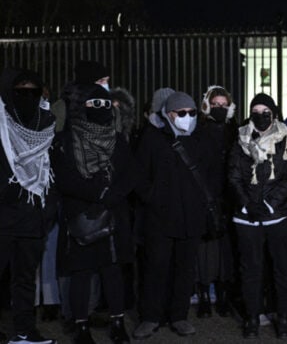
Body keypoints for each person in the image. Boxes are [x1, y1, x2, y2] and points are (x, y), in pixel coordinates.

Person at [51, 83, 140, 344]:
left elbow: (130, 174)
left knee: (112, 271)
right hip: (83, 215)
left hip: (112, 214)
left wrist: (110, 196)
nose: (101, 108)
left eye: (105, 104)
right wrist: (96, 195)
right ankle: (81, 326)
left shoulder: (117, 139)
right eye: (95, 104)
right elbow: (64, 178)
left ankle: (117, 323)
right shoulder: (67, 139)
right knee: (81, 273)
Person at [133, 91, 211, 339]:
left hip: (191, 217)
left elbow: (210, 174)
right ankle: (150, 317)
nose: (188, 117)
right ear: (168, 114)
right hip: (160, 218)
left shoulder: (200, 137)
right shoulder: (152, 137)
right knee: (155, 268)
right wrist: (153, 198)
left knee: (185, 269)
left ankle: (179, 316)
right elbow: (139, 175)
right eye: (182, 113)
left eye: (192, 112)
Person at [228, 93, 287, 339]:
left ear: (274, 114)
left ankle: (283, 317)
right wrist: (247, 204)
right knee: (250, 269)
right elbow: (233, 175)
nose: (260, 116)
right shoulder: (240, 140)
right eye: (255, 112)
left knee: (283, 269)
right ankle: (252, 317)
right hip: (247, 217)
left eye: (265, 112)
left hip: (278, 215)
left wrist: (269, 205)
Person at [0, 68, 57, 344]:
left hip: (33, 217)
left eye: (33, 91)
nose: (27, 96)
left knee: (24, 280)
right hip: (3, 216)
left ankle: (24, 331)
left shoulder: (45, 122)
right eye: (20, 91)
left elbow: (53, 169)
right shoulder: (1, 122)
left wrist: (48, 211)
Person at [194, 85, 238, 318]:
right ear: (206, 105)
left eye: (223, 105)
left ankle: (223, 295)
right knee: (205, 249)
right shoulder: (198, 130)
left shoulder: (234, 131)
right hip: (205, 196)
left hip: (229, 197)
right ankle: (203, 294)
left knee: (225, 250)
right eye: (215, 104)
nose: (219, 108)